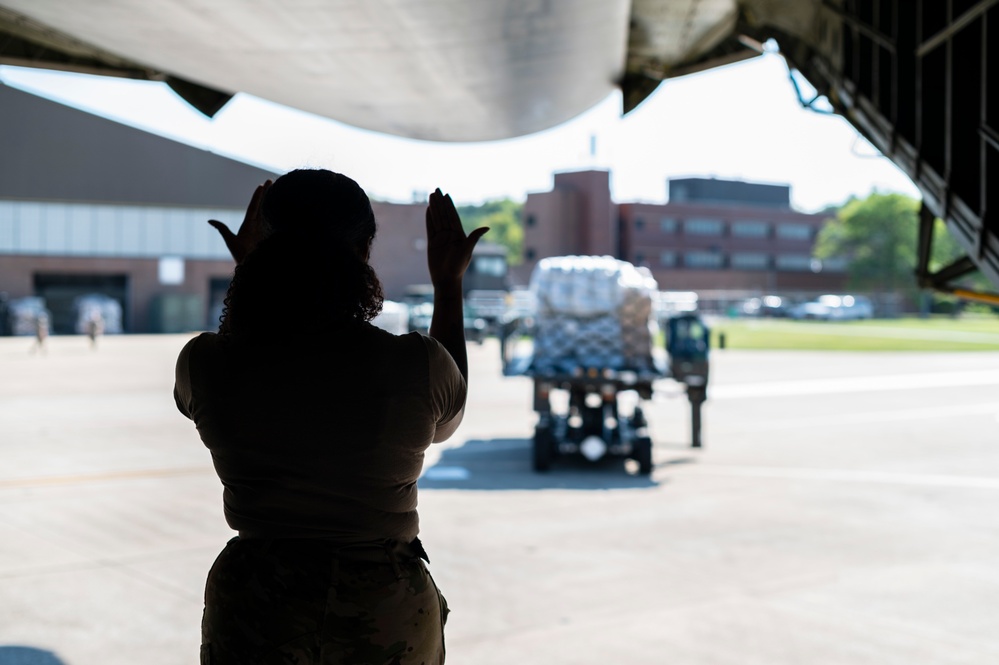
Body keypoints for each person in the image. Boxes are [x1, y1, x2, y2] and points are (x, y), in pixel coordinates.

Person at [173, 169, 487, 664]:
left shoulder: (205, 362)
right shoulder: (414, 365)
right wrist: (448, 286)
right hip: (383, 604)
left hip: (259, 601)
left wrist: (253, 273)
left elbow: (242, 354)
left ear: (262, 249)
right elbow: (448, 420)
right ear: (364, 252)